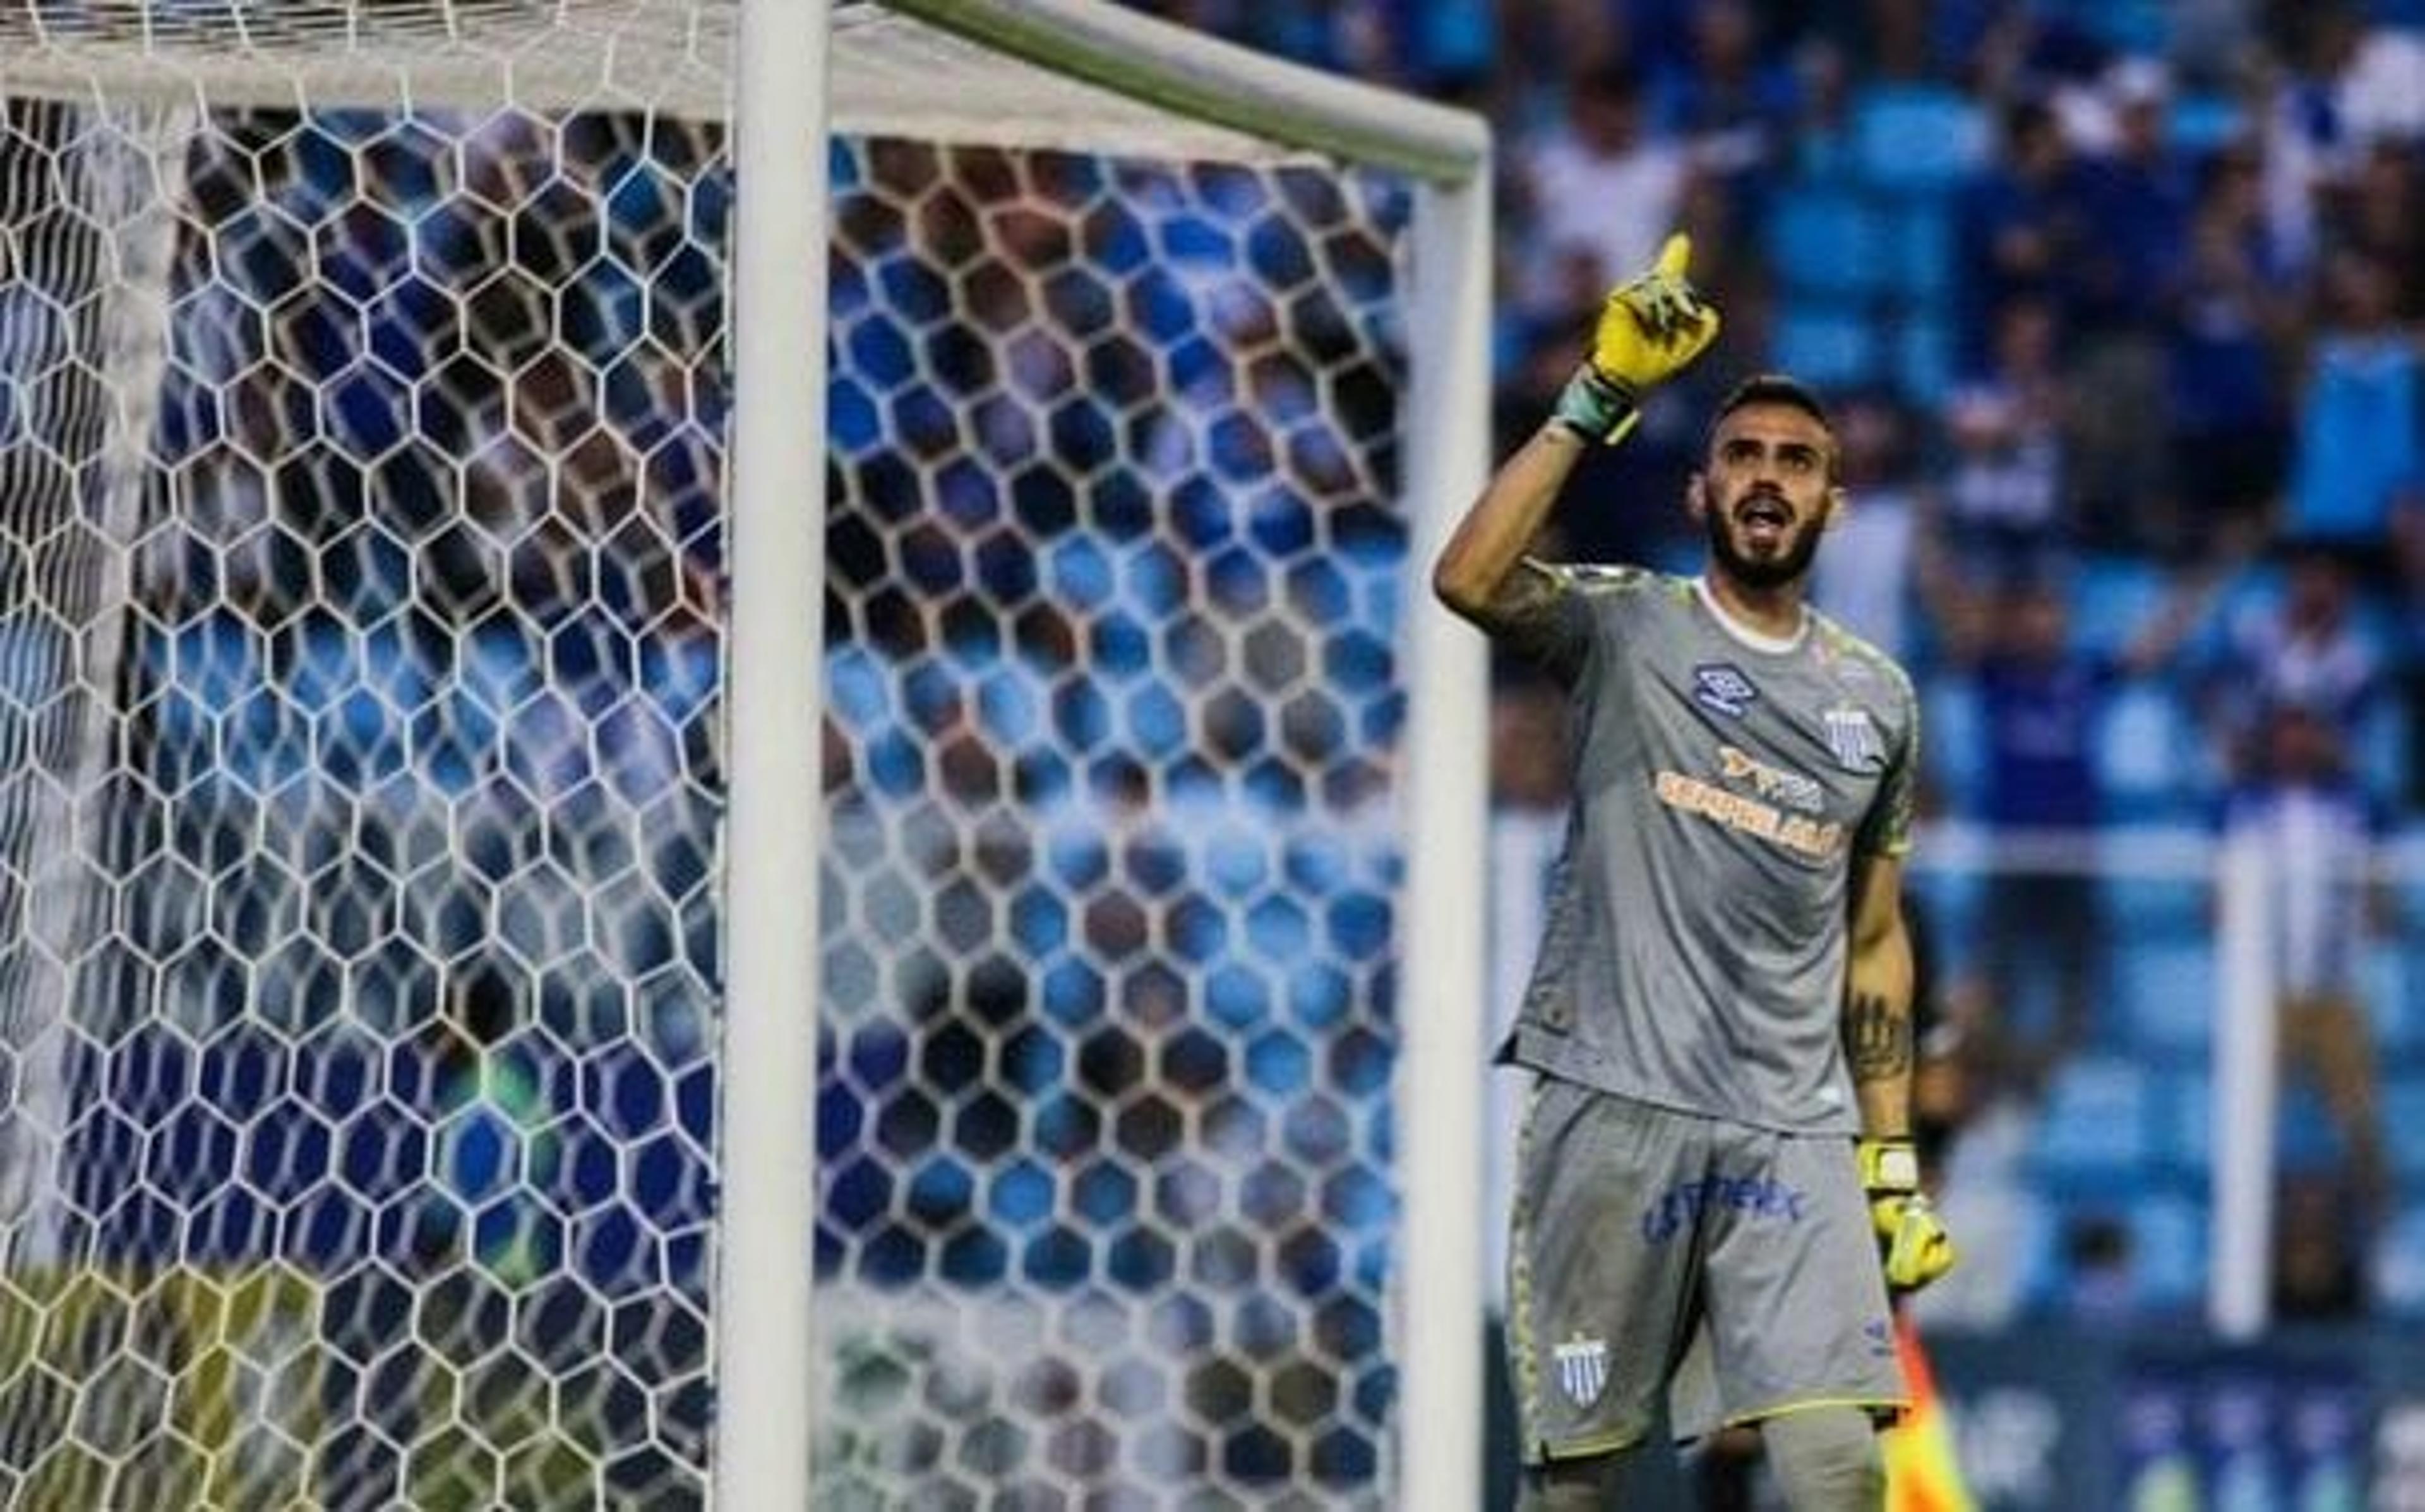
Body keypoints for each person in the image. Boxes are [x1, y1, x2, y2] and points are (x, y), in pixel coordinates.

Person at [1432, 234, 1955, 1510]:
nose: (1769, 479)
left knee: (1839, 1468)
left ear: (1834, 503)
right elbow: (1468, 577)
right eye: (1743, 456)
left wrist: (1887, 1156)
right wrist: (1594, 400)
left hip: (1793, 1125)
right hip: (1614, 1099)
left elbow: (1875, 936)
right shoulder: (1627, 626)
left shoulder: (1877, 701)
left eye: (1798, 463)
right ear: (1700, 493)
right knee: (1580, 1482)